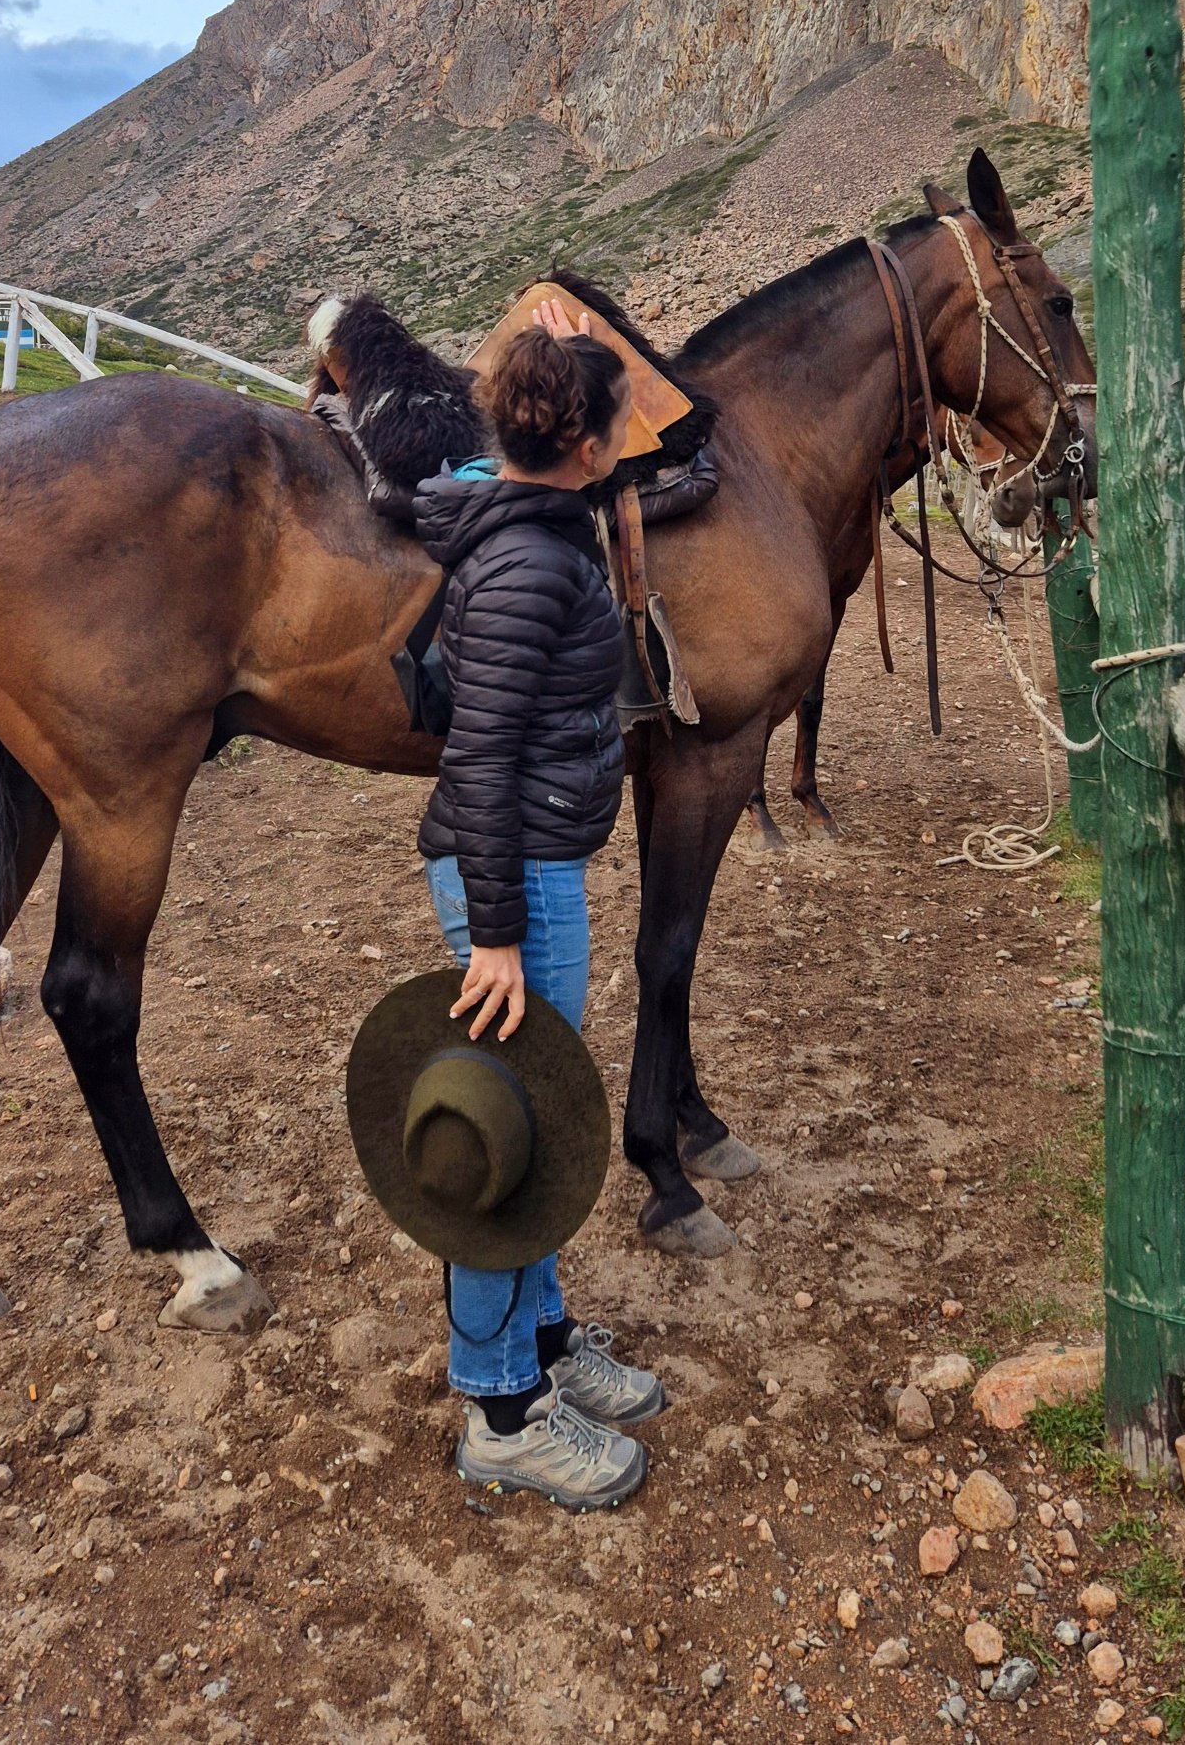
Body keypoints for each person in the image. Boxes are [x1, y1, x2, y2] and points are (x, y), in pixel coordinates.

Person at [412, 302, 664, 1508]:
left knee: (545, 1112)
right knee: (507, 1127)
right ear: (586, 446)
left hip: (531, 862)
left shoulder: (532, 518)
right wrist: (500, 936)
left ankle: (544, 1341)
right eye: (616, 422)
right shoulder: (527, 562)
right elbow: (478, 758)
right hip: (514, 875)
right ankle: (500, 1407)